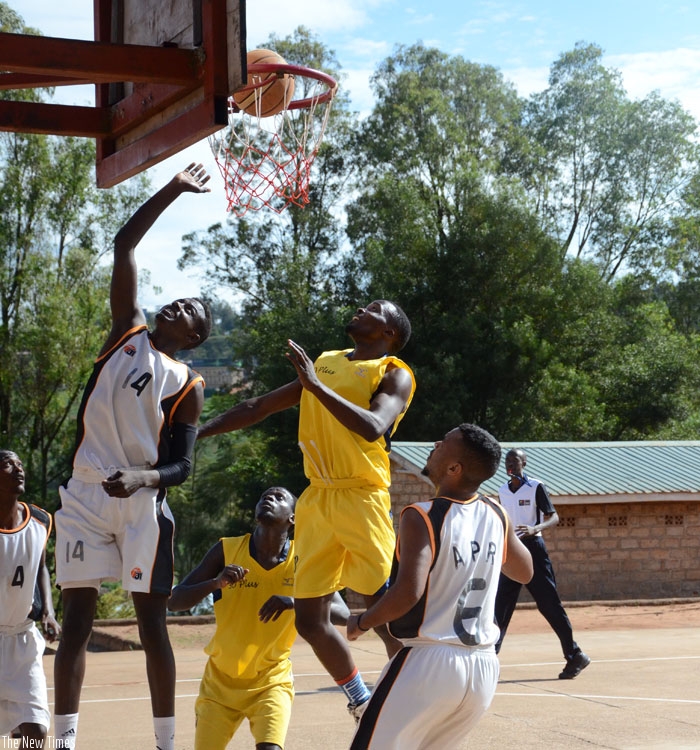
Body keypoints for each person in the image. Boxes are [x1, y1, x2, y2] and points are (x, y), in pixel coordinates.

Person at [53, 164, 213, 750]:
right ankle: (64, 739)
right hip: (86, 496)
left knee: (152, 627)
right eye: (176, 300)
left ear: (195, 336)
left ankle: (165, 742)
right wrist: (172, 188)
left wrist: (144, 475)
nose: (178, 305)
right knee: (75, 623)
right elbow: (124, 242)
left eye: (191, 309)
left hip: (142, 503)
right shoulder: (127, 331)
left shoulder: (187, 383)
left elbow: (184, 469)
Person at [198, 300, 415, 718]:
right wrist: (197, 434)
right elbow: (257, 406)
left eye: (373, 309)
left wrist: (315, 387)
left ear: (389, 332)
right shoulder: (327, 363)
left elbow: (373, 427)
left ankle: (411, 691)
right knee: (310, 620)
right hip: (318, 497)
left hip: (362, 494)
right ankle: (360, 699)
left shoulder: (394, 372)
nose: (359, 309)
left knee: (382, 611)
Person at [345, 424, 533, 749]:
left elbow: (408, 593)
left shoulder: (422, 516)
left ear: (453, 468)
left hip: (429, 662)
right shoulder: (496, 514)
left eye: (444, 443)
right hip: (483, 669)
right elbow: (525, 571)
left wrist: (362, 622)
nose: (435, 443)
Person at [168, 486, 350, 750]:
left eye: (279, 498)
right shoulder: (227, 550)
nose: (269, 499)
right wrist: (215, 583)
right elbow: (175, 601)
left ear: (293, 518)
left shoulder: (305, 558)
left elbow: (342, 613)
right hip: (219, 684)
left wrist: (294, 602)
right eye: (264, 496)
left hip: (271, 681)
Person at [494, 447, 591, 679]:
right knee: (500, 606)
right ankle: (488, 659)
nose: (511, 464)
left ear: (524, 463)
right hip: (511, 549)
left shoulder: (536, 486)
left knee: (549, 604)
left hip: (533, 549)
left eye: (515, 460)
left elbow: (554, 516)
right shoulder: (502, 491)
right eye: (508, 460)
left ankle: (574, 655)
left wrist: (535, 528)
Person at [0, 450, 61, 747]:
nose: (18, 469)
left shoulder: (38, 520)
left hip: (23, 641)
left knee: (36, 731)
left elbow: (40, 566)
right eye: (8, 464)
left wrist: (48, 611)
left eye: (20, 464)